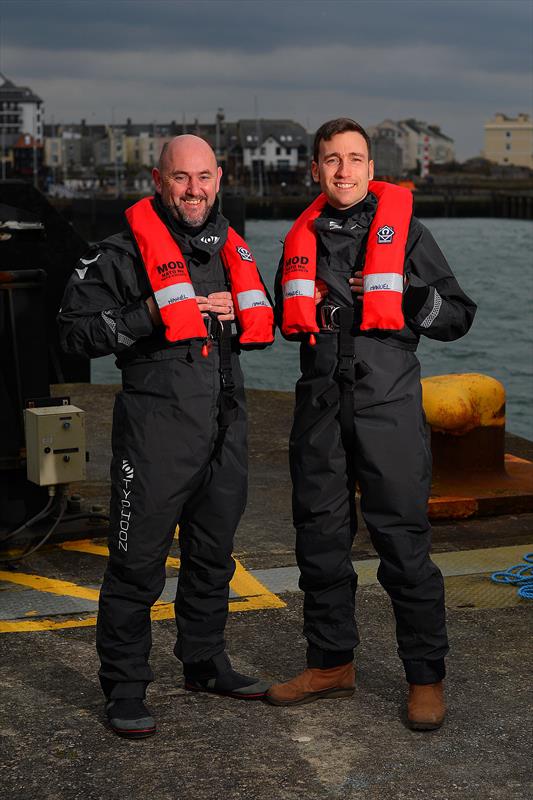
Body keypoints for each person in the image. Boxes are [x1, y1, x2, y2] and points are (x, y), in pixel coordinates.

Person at [58, 135, 274, 738]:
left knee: (214, 557)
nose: (194, 189)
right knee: (135, 566)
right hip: (154, 433)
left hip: (225, 428)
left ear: (220, 178)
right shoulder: (119, 253)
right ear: (159, 180)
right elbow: (73, 337)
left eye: (204, 177)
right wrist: (151, 312)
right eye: (182, 178)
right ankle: (125, 687)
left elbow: (267, 322)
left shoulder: (233, 250)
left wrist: (240, 310)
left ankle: (204, 662)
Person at [266, 118, 476, 730]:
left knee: (403, 545)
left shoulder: (406, 231)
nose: (343, 170)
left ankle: (425, 676)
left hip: (387, 406)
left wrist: (410, 298)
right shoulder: (300, 236)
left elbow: (458, 316)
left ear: (370, 166)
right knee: (320, 541)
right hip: (320, 409)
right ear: (315, 168)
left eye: (354, 158)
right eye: (331, 159)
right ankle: (331, 663)